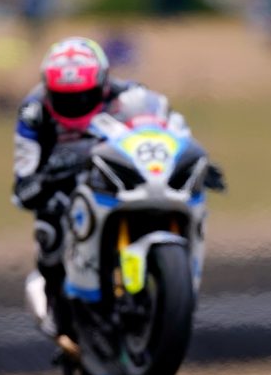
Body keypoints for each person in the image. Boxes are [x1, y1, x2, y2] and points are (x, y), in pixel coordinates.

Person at [12, 37, 220, 334]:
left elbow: (167, 134)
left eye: (84, 96)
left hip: (116, 177)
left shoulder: (134, 96)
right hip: (61, 182)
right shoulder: (33, 111)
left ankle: (166, 288)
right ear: (49, 89)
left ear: (103, 83)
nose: (75, 104)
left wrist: (194, 163)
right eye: (65, 97)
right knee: (49, 228)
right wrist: (35, 183)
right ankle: (57, 305)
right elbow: (24, 171)